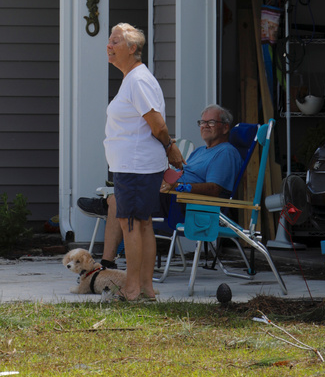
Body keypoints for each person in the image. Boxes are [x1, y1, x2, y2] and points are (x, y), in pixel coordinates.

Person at [79, 103, 241, 268]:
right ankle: (107, 261)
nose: (205, 126)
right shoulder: (199, 151)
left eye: (211, 122)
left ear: (225, 127)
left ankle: (105, 207)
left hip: (185, 205)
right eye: (202, 122)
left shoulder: (225, 152)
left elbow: (214, 189)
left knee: (118, 201)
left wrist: (178, 187)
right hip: (170, 196)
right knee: (122, 196)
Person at [101, 23, 184, 301]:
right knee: (142, 223)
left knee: (132, 224)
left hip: (135, 166)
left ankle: (133, 288)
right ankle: (146, 288)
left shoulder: (138, 80)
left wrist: (170, 147)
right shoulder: (133, 79)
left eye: (115, 41)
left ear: (132, 48)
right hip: (134, 166)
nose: (109, 46)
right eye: (109, 40)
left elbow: (157, 124)